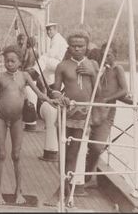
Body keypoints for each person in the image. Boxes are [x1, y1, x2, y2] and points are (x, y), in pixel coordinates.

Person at [0, 45, 57, 205]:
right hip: (0, 118)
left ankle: (19, 191)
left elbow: (39, 93)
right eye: (7, 61)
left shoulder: (24, 76)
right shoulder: (0, 77)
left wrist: (51, 100)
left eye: (12, 61)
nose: (9, 64)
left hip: (17, 118)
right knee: (1, 154)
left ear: (19, 62)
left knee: (16, 155)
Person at [44, 30, 99, 206]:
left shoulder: (93, 64)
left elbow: (100, 93)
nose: (77, 49)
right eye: (73, 46)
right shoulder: (63, 65)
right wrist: (60, 97)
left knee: (73, 154)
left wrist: (92, 73)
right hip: (66, 113)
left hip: (84, 114)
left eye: (81, 46)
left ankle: (64, 190)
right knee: (63, 153)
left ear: (87, 47)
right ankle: (64, 189)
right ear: (69, 47)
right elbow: (55, 89)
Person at [85, 42, 128, 187]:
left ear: (115, 55)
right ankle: (88, 177)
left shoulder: (117, 69)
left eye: (108, 55)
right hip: (92, 110)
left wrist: (108, 99)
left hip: (107, 111)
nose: (105, 57)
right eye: (103, 54)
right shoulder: (98, 68)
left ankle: (90, 177)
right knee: (87, 144)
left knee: (97, 147)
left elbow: (124, 91)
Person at [33, 23, 68, 87]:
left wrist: (40, 58)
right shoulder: (56, 38)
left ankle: (34, 75)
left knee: (43, 59)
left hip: (60, 63)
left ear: (55, 30)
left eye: (50, 30)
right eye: (47, 30)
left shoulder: (57, 39)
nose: (48, 32)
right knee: (45, 71)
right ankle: (50, 85)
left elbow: (52, 53)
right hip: (58, 63)